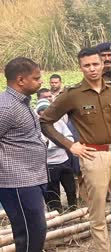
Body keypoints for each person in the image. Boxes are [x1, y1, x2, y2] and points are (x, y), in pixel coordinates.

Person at [40, 47, 111, 252]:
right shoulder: (72, 94)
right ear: (81, 68)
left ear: (103, 64)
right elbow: (45, 122)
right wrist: (70, 145)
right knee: (98, 212)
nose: (92, 69)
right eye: (87, 65)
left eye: (95, 64)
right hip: (93, 156)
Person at [0, 57, 47, 252]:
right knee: (30, 234)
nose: (41, 82)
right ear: (21, 80)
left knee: (36, 232)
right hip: (17, 182)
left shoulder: (21, 102)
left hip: (32, 178)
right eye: (36, 78)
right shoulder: (6, 107)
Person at [35, 96, 77, 213]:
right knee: (53, 190)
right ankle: (56, 212)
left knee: (70, 188)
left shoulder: (59, 122)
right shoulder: (36, 126)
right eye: (41, 111)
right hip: (49, 164)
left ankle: (73, 209)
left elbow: (69, 137)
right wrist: (58, 143)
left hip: (64, 160)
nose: (44, 113)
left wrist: (60, 142)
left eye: (46, 110)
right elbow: (40, 145)